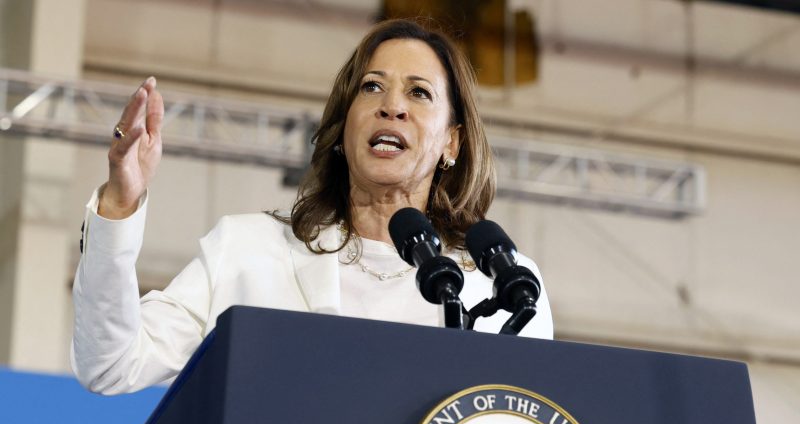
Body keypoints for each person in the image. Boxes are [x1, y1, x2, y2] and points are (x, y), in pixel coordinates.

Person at [71, 19, 553, 395]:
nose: (392, 107)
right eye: (372, 87)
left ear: (452, 141)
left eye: (419, 93)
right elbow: (111, 364)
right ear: (343, 129)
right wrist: (119, 204)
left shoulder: (504, 285)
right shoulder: (248, 251)